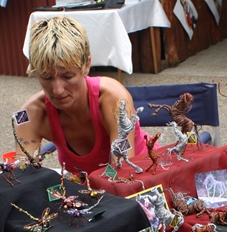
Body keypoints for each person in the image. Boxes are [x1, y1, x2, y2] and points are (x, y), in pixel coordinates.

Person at [18, 16, 148, 175]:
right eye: (47, 78)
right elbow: (22, 176)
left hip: (143, 178)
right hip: (85, 187)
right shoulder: (28, 114)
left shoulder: (113, 98)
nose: (57, 90)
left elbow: (122, 171)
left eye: (67, 76)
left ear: (86, 65)